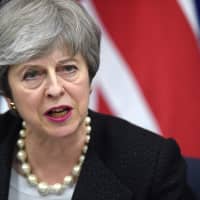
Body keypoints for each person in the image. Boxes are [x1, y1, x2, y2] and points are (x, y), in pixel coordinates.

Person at [0, 0, 196, 199]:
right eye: (32, 74)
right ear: (8, 94)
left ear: (89, 77)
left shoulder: (150, 165)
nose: (55, 89)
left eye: (68, 69)